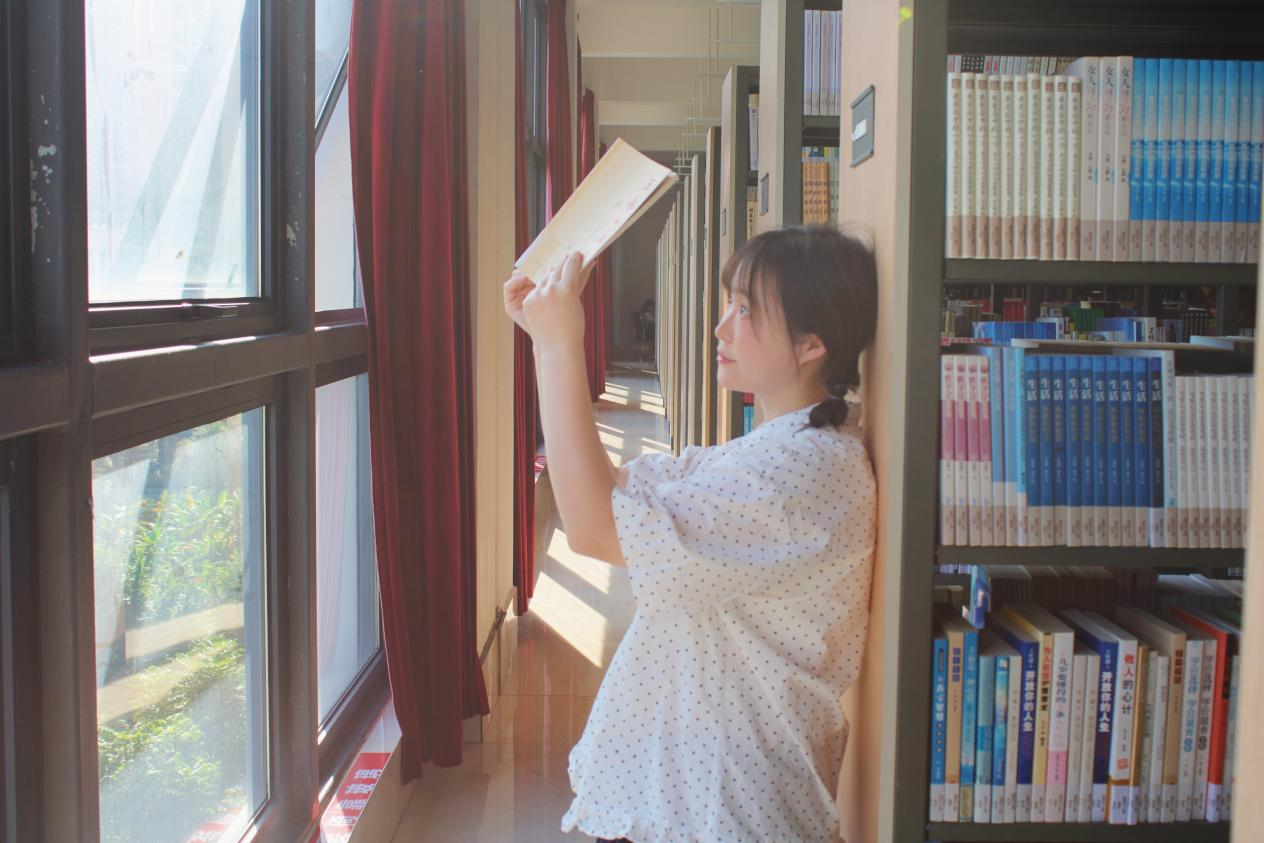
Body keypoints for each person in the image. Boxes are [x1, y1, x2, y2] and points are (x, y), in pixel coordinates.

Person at [502, 225, 879, 843]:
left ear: (812, 343)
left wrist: (561, 345)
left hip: (729, 808)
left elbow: (593, 527)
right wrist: (546, 345)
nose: (722, 328)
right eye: (729, 304)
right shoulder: (779, 449)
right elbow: (609, 487)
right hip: (705, 796)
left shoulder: (802, 472)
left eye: (746, 310)